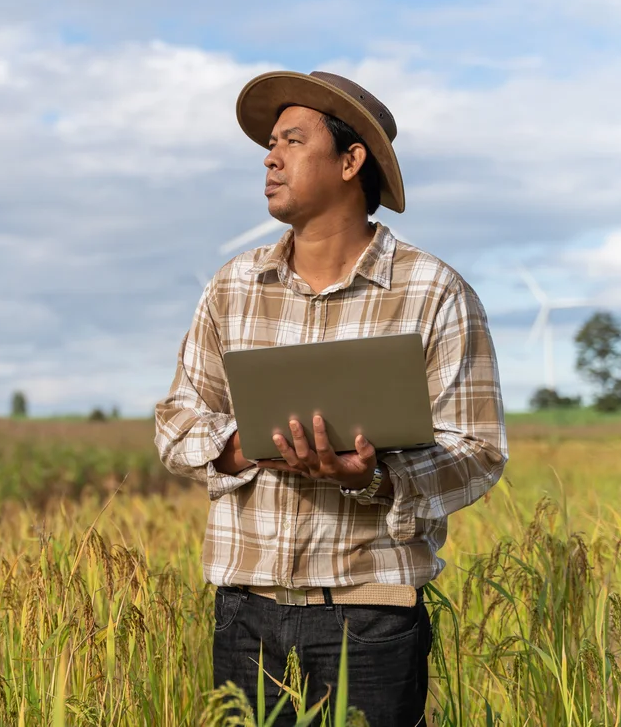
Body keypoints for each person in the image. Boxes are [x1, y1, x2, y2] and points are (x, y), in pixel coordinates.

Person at [154, 70, 508, 726]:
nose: (269, 156)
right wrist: (241, 447)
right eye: (269, 143)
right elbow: (176, 422)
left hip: (372, 616)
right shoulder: (232, 286)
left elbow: (479, 450)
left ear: (351, 161)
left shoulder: (434, 292)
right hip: (244, 614)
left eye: (292, 140)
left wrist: (375, 475)